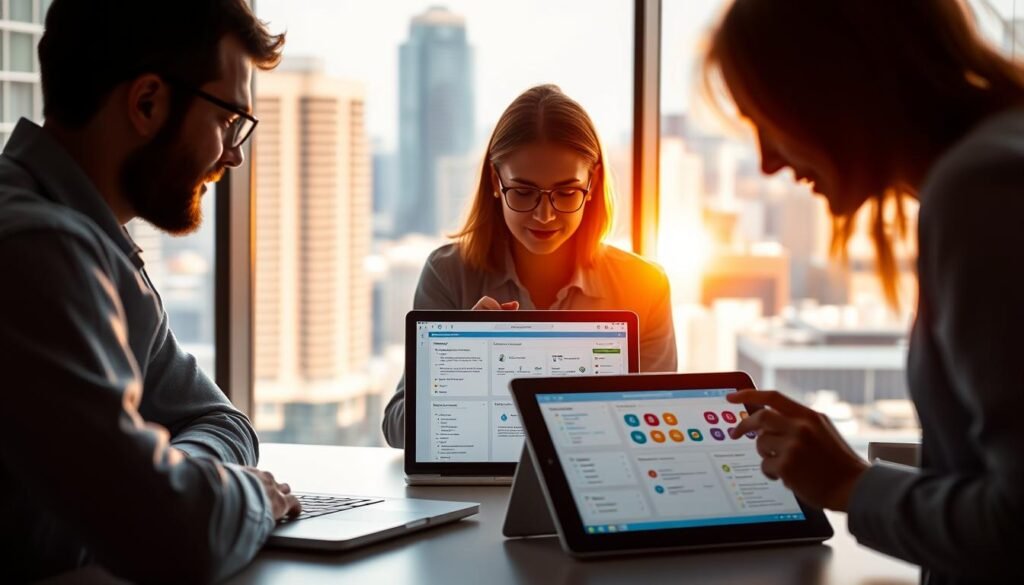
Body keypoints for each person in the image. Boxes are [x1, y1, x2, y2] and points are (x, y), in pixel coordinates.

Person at [701, 1, 1024, 583]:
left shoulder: (980, 191)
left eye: (769, 119)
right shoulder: (1001, 152)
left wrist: (850, 485)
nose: (769, 162)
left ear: (838, 85)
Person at [0, 1, 300, 582]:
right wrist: (243, 496)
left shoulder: (96, 250)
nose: (233, 154)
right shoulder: (35, 251)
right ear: (147, 103)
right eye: (226, 121)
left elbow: (221, 421)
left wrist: (177, 481)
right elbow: (174, 537)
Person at [383, 84, 678, 448]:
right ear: (496, 182)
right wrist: (463, 359)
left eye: (566, 192)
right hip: (482, 497)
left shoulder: (644, 284)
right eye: (523, 192)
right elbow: (396, 427)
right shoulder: (448, 273)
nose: (544, 214)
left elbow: (658, 431)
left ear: (592, 183)